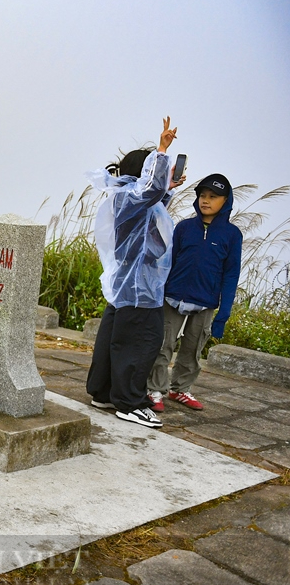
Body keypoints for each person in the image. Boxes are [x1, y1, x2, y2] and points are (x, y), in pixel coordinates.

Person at [85, 117, 186, 429]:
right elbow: (150, 191)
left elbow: (150, 204)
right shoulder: (132, 195)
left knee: (114, 337)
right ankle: (129, 403)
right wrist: (162, 149)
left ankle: (103, 392)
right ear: (145, 172)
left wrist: (166, 188)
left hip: (125, 284)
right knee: (141, 340)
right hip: (139, 287)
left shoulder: (126, 196)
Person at [147, 174, 242, 412]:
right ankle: (154, 389)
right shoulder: (184, 227)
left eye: (213, 196)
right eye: (202, 195)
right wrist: (158, 292)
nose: (206, 201)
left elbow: (231, 274)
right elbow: (168, 261)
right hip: (173, 296)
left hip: (205, 301)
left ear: (226, 200)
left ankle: (180, 389)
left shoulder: (232, 235)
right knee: (163, 344)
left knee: (192, 348)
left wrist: (223, 314)